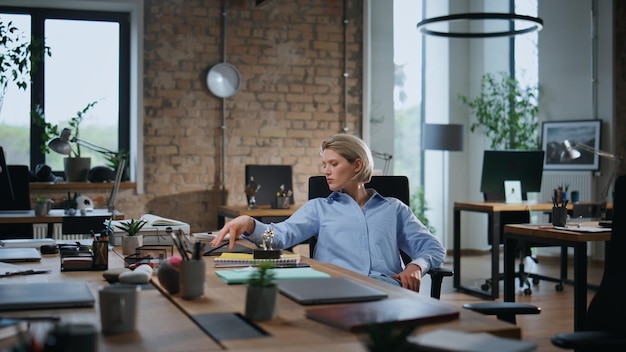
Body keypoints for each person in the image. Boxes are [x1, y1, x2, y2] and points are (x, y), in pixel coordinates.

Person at [211, 134, 445, 292]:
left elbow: (432, 247)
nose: (326, 171)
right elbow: (281, 236)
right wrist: (249, 223)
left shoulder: (394, 209)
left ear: (357, 165)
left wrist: (416, 266)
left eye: (334, 164)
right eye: (325, 165)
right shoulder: (319, 208)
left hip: (388, 292)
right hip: (335, 290)